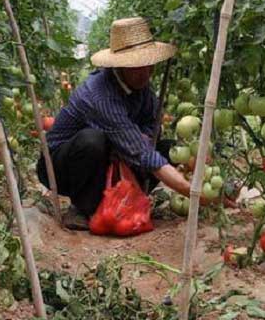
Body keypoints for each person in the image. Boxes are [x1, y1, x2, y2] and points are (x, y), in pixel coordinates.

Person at [37, 17, 227, 230]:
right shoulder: (99, 96)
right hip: (60, 166)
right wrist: (192, 192)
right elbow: (143, 154)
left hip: (108, 159)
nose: (144, 73)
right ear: (119, 65)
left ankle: (128, 197)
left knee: (167, 148)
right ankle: (83, 207)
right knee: (93, 140)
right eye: (135, 67)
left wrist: (143, 135)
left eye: (148, 65)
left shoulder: (141, 88)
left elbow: (151, 126)